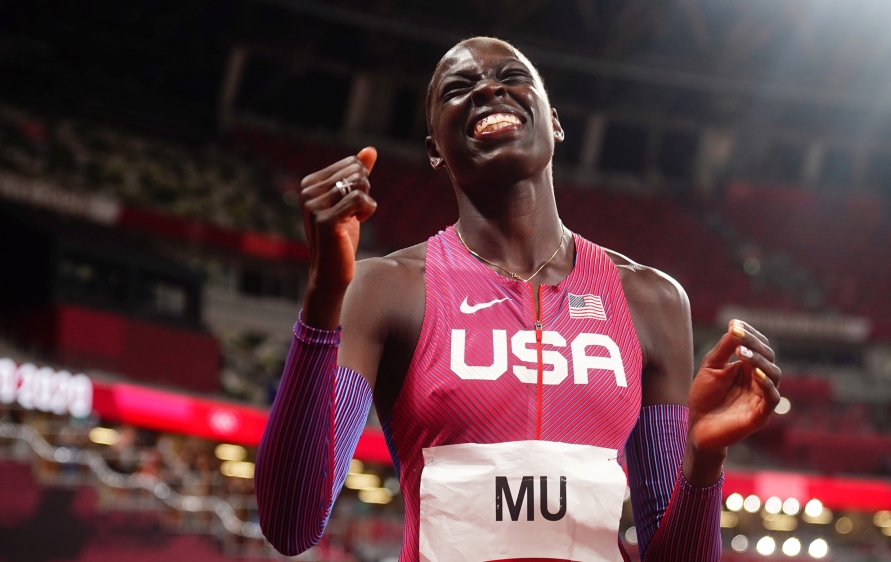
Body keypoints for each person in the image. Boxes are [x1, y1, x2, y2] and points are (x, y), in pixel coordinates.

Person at [255, 37, 781, 562]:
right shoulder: (385, 288)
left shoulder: (651, 300)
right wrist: (325, 294)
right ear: (435, 148)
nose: (487, 87)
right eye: (457, 88)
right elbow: (291, 524)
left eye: (512, 75)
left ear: (552, 120)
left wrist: (704, 456)